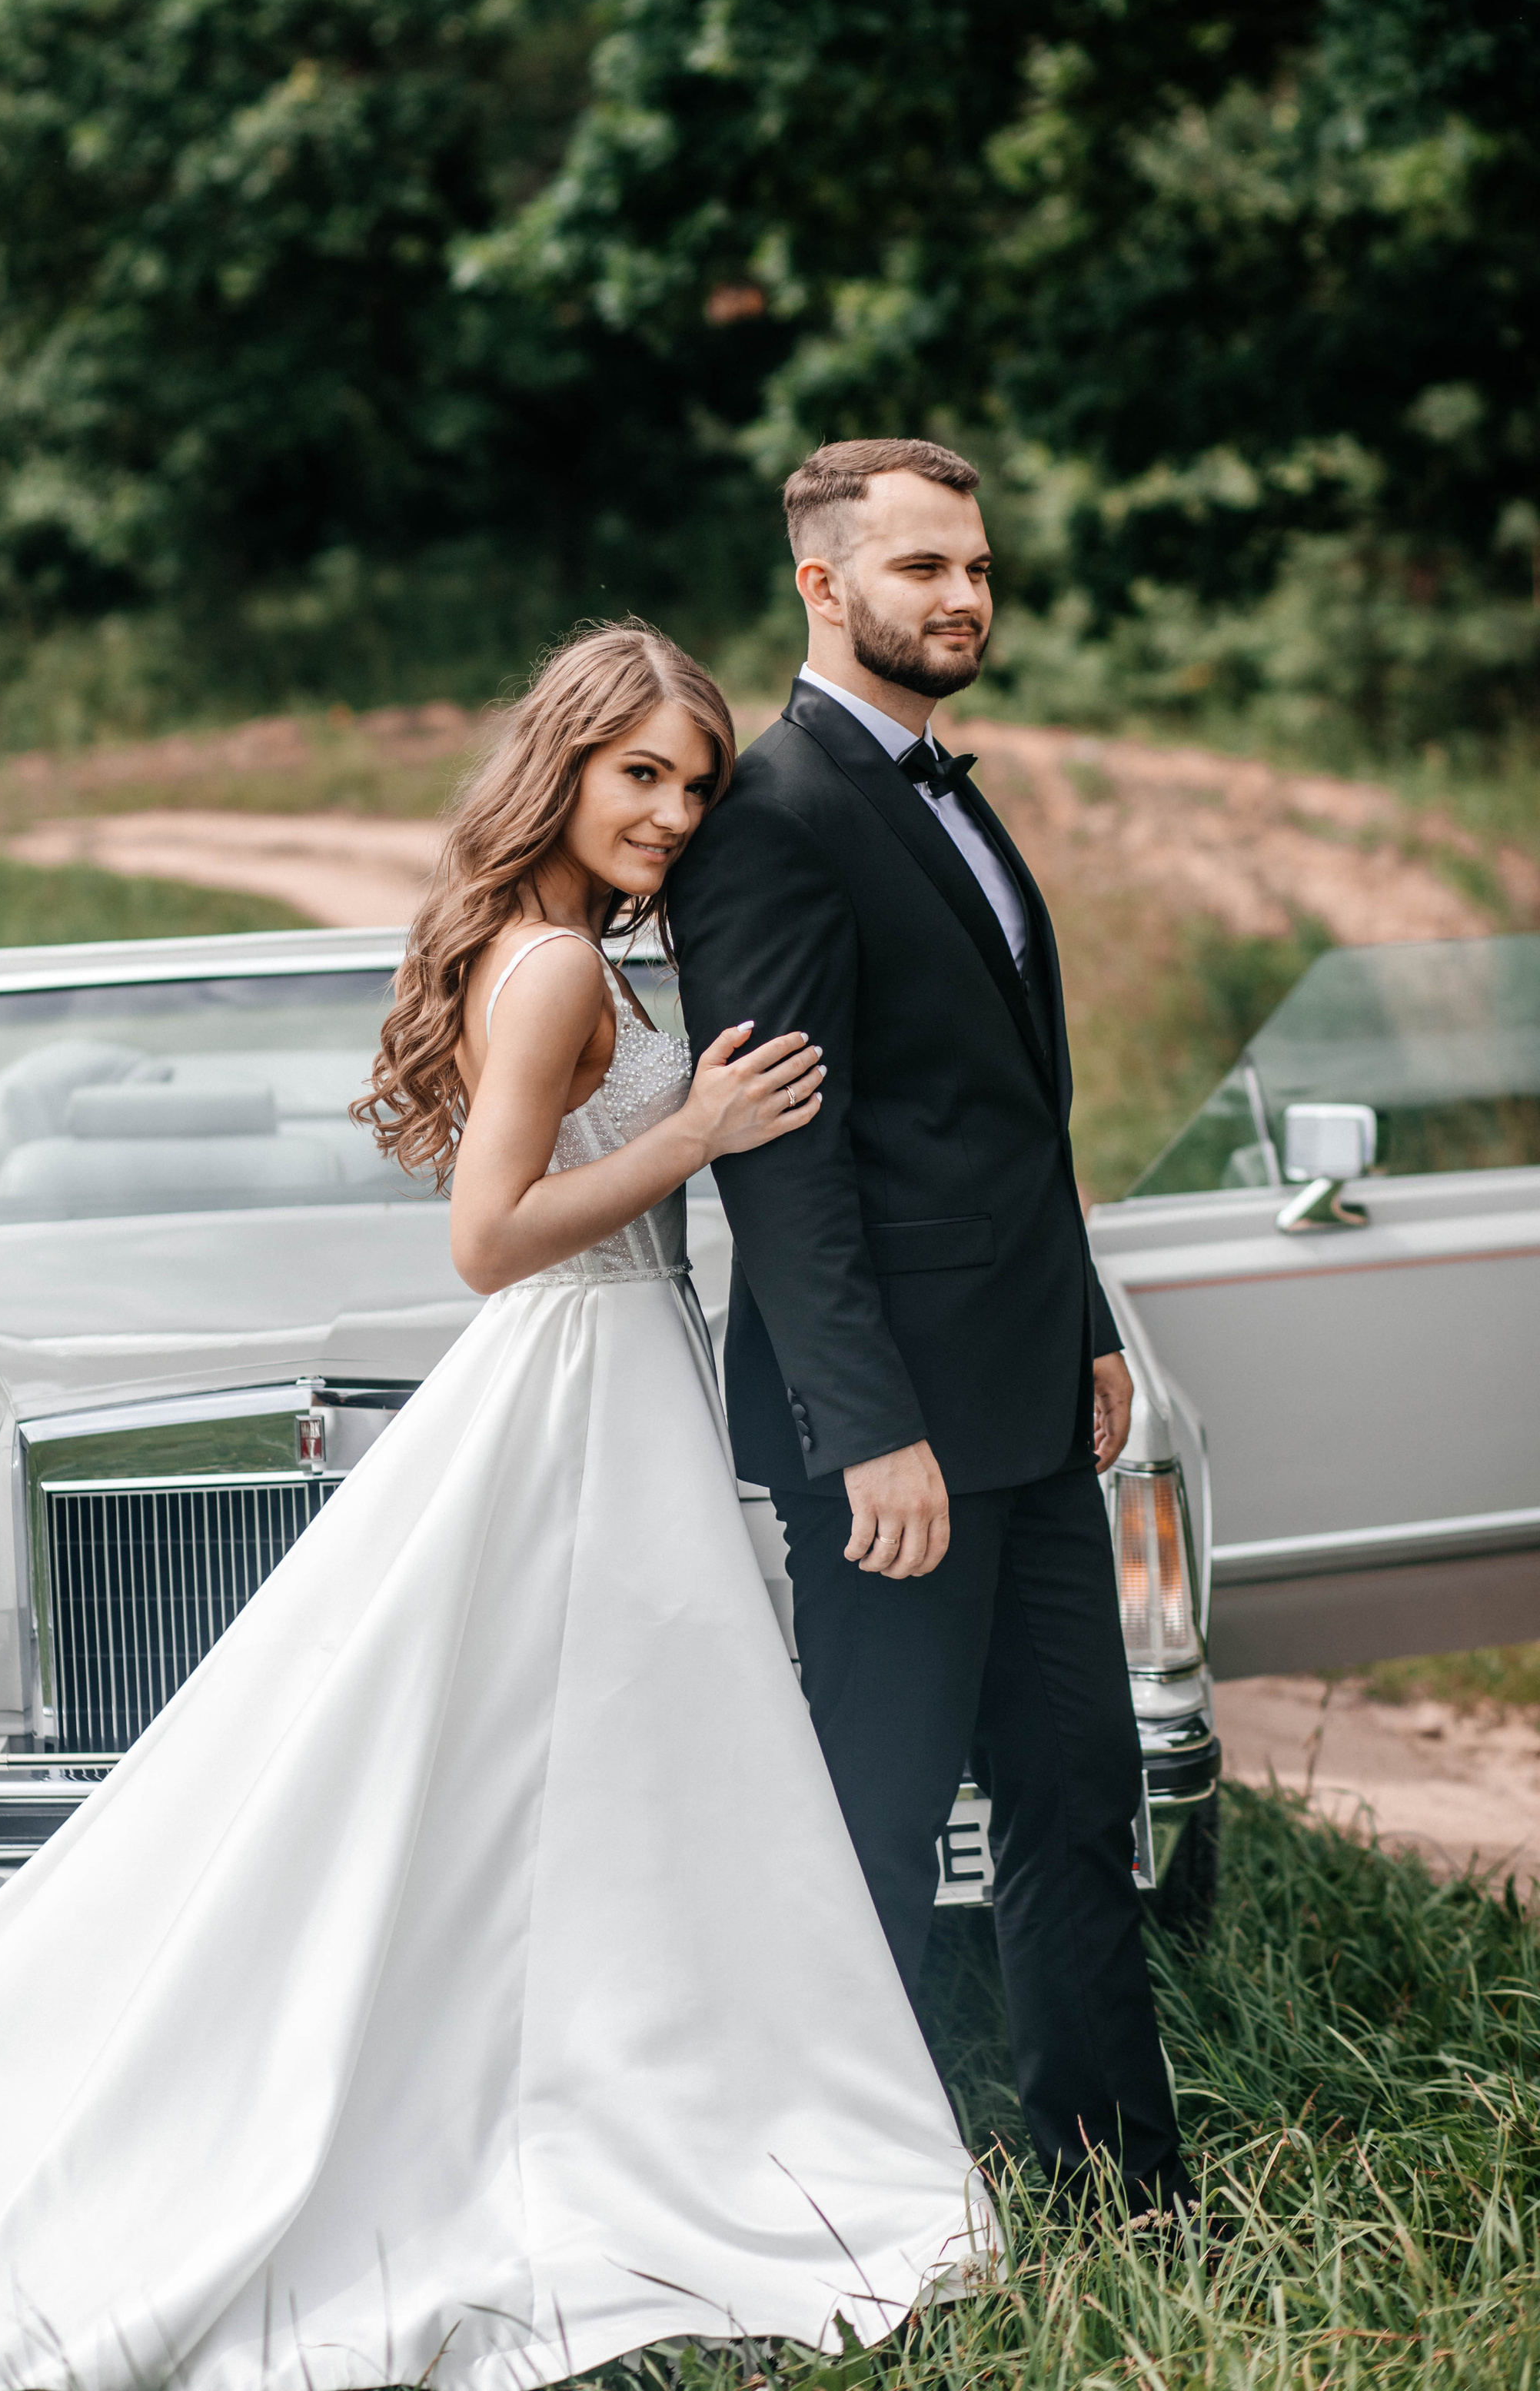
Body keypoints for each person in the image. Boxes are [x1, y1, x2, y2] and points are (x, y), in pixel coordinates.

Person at [0, 623, 990, 2391]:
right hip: (574, 1370)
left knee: (578, 1757)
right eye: (641, 773)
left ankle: (618, 2070)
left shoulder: (577, 950)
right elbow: (487, 1243)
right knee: (579, 1741)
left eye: (696, 783)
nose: (673, 809)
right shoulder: (552, 970)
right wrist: (688, 1137)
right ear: (561, 764)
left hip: (621, 1374)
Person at [670, 442, 1190, 2220]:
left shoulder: (942, 790)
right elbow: (786, 1164)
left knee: (1072, 1804)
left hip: (1031, 1414)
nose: (960, 596)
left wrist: (1090, 1332)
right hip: (893, 1446)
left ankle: (1119, 2188)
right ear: (821, 587)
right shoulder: (773, 817)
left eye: (973, 565)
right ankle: (850, 2209)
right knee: (875, 1836)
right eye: (919, 570)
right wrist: (859, 1426)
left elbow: (998, 1123)